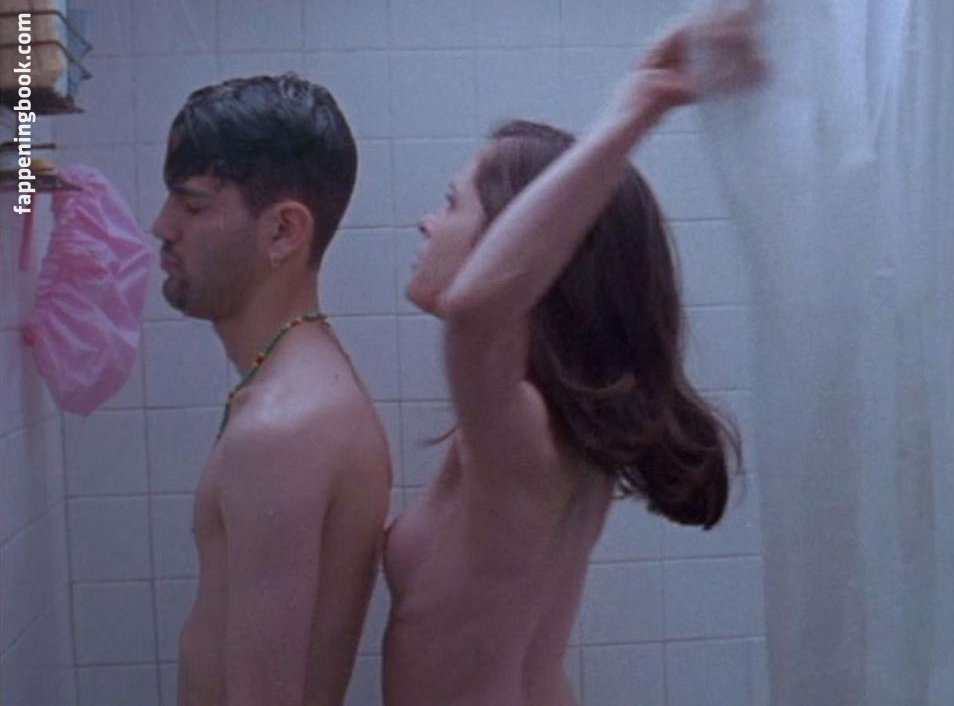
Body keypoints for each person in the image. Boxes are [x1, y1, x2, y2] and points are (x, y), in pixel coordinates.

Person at [382, 6, 765, 706]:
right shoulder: (557, 425)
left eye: (451, 203)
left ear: (512, 246)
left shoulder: (521, 428)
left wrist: (640, 102)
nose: (427, 223)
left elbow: (476, 313)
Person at [152, 74, 391, 706]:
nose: (162, 226)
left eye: (192, 206)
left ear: (283, 231)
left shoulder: (284, 427)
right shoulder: (299, 384)